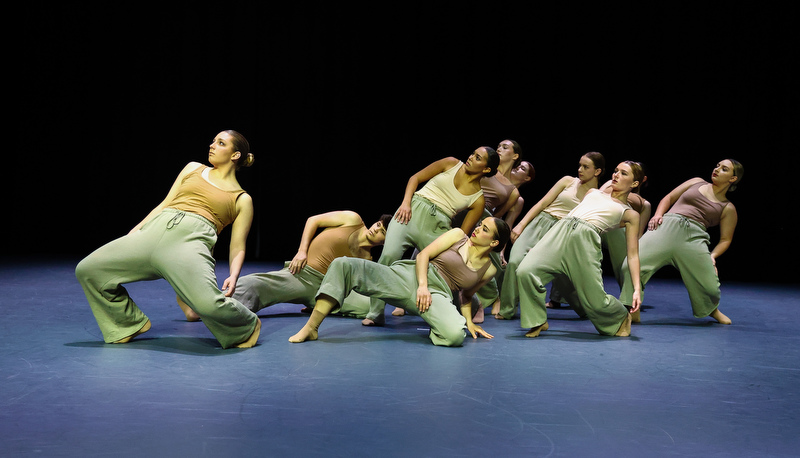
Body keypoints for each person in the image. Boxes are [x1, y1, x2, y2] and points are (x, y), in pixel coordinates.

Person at [75, 130, 261, 349]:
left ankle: (246, 325)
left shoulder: (242, 198)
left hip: (190, 242)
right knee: (88, 270)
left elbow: (238, 245)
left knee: (208, 305)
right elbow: (164, 204)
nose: (211, 145)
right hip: (155, 230)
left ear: (235, 155)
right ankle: (127, 323)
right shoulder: (193, 168)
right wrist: (137, 230)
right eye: (213, 141)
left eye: (220, 143)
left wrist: (234, 274)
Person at [288, 217, 510, 346]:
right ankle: (311, 328)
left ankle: (437, 322)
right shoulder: (457, 235)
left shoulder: (489, 269)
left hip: (439, 295)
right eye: (480, 224)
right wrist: (422, 285)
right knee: (344, 264)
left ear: (494, 242)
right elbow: (423, 255)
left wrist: (468, 322)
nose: (477, 229)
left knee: (455, 336)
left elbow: (466, 295)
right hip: (412, 276)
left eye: (485, 230)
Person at [361, 146, 500, 326]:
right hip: (409, 214)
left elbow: (462, 236)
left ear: (487, 169)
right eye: (473, 154)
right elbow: (415, 178)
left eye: (478, 157)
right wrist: (405, 203)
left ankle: (466, 307)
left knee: (450, 265)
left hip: (437, 225)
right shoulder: (450, 163)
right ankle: (375, 313)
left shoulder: (478, 199)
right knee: (388, 257)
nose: (471, 157)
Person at [176, 211, 390, 320]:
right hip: (302, 275)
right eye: (378, 224)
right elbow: (313, 220)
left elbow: (349, 284)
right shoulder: (352, 219)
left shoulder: (367, 260)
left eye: (382, 232)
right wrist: (302, 251)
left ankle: (322, 306)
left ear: (385, 242)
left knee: (369, 306)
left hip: (325, 288)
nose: (375, 229)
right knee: (256, 285)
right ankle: (198, 307)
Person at [516, 161, 645, 338]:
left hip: (586, 240)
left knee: (595, 300)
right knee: (525, 271)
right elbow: (569, 216)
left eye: (624, 173)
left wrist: (636, 289)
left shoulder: (630, 214)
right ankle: (538, 321)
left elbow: (632, 255)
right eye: (616, 171)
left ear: (635, 183)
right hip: (562, 231)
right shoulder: (593, 192)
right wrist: (541, 247)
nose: (616, 175)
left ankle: (620, 316)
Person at [619, 159, 743, 324]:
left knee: (710, 286)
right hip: (667, 227)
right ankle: (631, 307)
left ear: (733, 178)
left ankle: (711, 310)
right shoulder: (696, 182)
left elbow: (725, 239)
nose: (717, 169)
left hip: (693, 237)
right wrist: (658, 214)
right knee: (631, 264)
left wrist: (713, 255)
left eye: (724, 169)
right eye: (717, 166)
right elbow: (669, 198)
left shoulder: (728, 207)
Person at [495, 152, 605, 319]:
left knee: (563, 278)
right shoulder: (568, 181)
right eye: (580, 165)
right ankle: (507, 309)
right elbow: (543, 203)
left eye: (586, 167)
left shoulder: (597, 195)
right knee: (515, 261)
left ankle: (588, 309)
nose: (580, 169)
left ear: (597, 171)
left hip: (561, 233)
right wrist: (521, 225)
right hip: (540, 223)